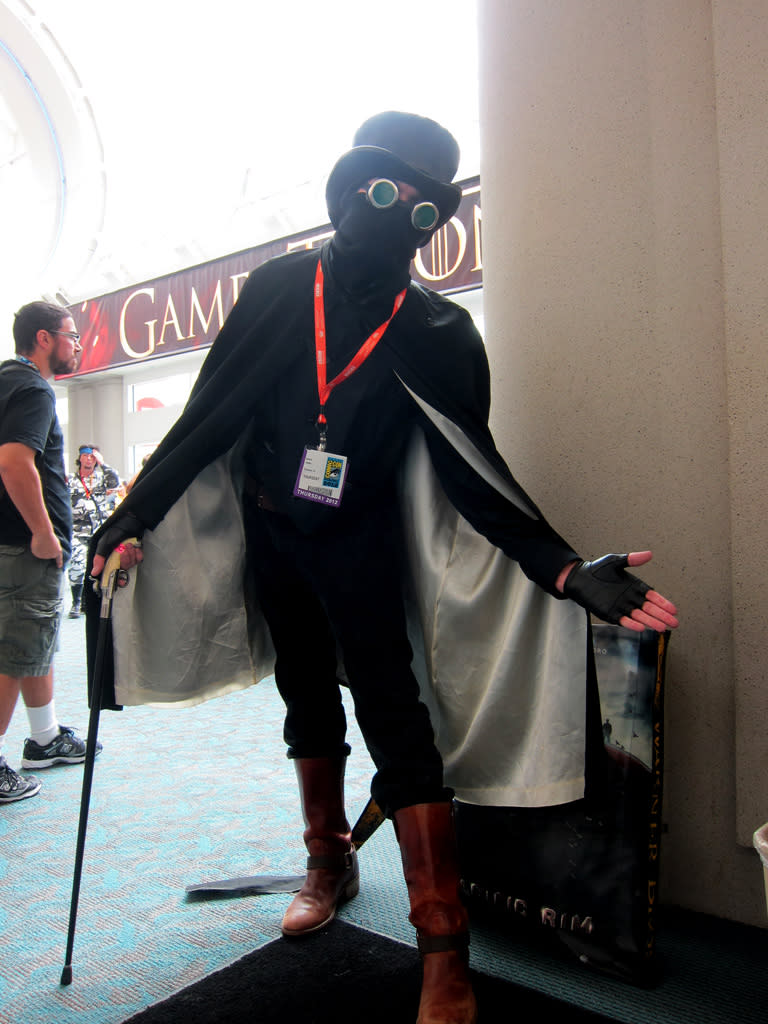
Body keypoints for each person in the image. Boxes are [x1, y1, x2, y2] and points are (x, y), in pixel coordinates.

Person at [89, 112, 679, 1024]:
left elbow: (474, 469)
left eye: (418, 199)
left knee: (397, 717)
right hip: (274, 532)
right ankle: (328, 859)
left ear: (435, 217)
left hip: (358, 540)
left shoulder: (439, 330)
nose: (394, 206)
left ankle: (443, 942)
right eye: (378, 185)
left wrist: (561, 569)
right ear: (346, 188)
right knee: (305, 699)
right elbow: (205, 417)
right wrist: (128, 519)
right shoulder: (284, 288)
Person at [0, 302, 100, 804]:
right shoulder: (33, 388)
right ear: (43, 338)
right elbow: (15, 463)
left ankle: (44, 738)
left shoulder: (5, 381)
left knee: (31, 641)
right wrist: (42, 531)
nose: (78, 344)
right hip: (22, 546)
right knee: (13, 654)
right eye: (71, 335)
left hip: (10, 546)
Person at [67, 444, 120, 617]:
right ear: (80, 458)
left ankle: (92, 600)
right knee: (77, 565)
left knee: (99, 566)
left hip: (99, 530)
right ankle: (76, 602)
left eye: (92, 456)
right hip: (77, 531)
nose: (89, 459)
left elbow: (115, 481)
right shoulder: (71, 480)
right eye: (86, 455)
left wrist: (103, 463)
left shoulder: (101, 478)